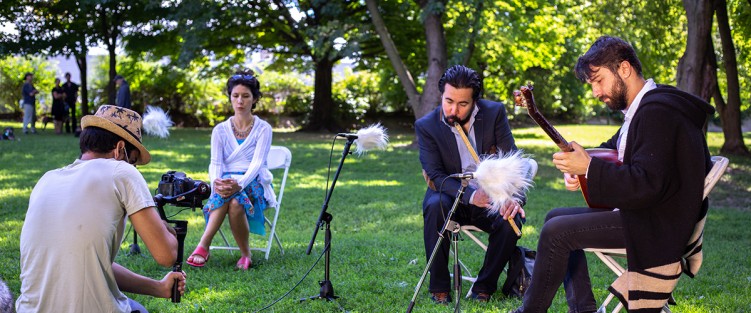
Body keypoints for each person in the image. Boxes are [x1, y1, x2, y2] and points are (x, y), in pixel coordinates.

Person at [511, 36, 714, 313]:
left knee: (557, 232)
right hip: (646, 213)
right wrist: (581, 166)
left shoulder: (657, 113)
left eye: (599, 80)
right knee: (554, 217)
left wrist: (589, 168)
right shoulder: (642, 110)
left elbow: (646, 185)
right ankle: (583, 309)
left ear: (625, 69)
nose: (595, 91)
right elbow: (612, 150)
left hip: (657, 224)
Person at [16, 105, 187, 313]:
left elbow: (91, 264)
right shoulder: (122, 171)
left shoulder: (47, 179)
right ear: (119, 148)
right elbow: (167, 255)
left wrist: (158, 287)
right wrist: (163, 224)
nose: (133, 168)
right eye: (133, 161)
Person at [415, 65, 525, 304]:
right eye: (448, 101)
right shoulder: (427, 126)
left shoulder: (494, 113)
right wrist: (470, 197)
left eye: (463, 104)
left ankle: (484, 287)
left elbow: (513, 161)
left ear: (475, 101)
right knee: (434, 207)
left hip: (490, 194)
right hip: (449, 193)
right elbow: (435, 175)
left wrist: (515, 199)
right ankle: (439, 288)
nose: (453, 110)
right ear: (441, 95)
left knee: (511, 220)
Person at [186, 69, 275, 271]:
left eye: (246, 96)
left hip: (253, 182)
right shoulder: (220, 130)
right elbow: (215, 162)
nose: (240, 101)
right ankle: (245, 255)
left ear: (254, 99)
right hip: (225, 182)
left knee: (236, 199)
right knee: (233, 201)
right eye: (235, 96)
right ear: (230, 98)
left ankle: (203, 245)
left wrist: (240, 184)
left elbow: (258, 163)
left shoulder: (263, 129)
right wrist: (216, 181)